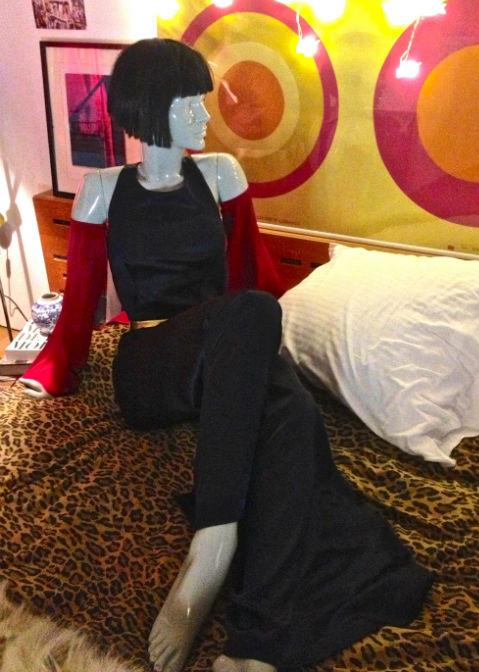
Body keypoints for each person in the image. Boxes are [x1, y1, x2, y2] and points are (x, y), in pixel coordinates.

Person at [21, 38, 433, 672]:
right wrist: (51, 369)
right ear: (152, 108)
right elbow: (79, 304)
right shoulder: (102, 189)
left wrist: (275, 359)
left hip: (226, 350)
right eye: (190, 103)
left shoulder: (220, 175)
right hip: (152, 363)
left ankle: (258, 642)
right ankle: (212, 543)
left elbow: (255, 276)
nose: (204, 116)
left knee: (294, 413)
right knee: (254, 322)